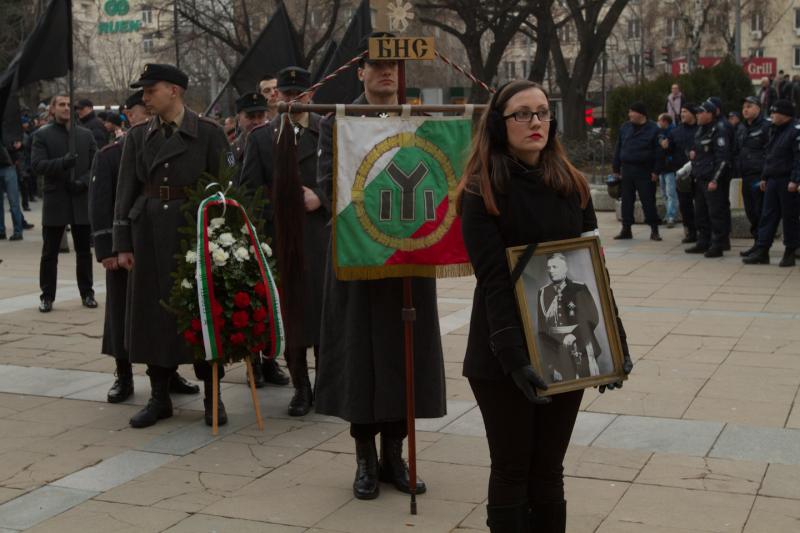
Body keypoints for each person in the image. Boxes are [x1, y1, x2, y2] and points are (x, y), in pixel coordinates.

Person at [457, 80, 632, 532]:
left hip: (563, 349)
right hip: (503, 354)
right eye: (522, 113)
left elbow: (594, 272)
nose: (535, 122)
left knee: (549, 471)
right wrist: (514, 359)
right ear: (500, 124)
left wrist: (613, 345)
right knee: (512, 467)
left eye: (542, 112)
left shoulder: (572, 185)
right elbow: (494, 282)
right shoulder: (481, 192)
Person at [314, 33, 446, 501]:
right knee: (359, 356)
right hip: (357, 254)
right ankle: (365, 459)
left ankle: (396, 454)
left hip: (408, 257)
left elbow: (436, 177)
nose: (386, 72)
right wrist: (370, 226)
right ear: (361, 72)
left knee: (405, 355)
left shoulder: (420, 121)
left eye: (393, 65)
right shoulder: (341, 121)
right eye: (377, 65)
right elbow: (329, 183)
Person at [113, 63, 232, 428]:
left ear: (174, 91)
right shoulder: (137, 136)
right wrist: (122, 243)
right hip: (148, 232)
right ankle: (159, 396)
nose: (145, 97)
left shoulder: (209, 134)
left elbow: (227, 189)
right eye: (145, 92)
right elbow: (125, 192)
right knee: (153, 315)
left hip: (192, 231)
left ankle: (213, 397)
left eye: (152, 90)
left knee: (201, 314)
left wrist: (224, 241)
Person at [89, 90, 199, 404]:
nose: (147, 117)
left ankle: (169, 371)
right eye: (141, 111)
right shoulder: (111, 153)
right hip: (123, 245)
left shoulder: (167, 142)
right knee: (122, 315)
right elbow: (102, 204)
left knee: (161, 315)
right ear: (129, 114)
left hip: (154, 243)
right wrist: (107, 248)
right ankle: (123, 374)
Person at [237, 67, 325, 413]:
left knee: (323, 314)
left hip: (320, 236)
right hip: (281, 239)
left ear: (311, 95)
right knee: (293, 317)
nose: (293, 100)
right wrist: (278, 204)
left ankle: (328, 383)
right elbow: (248, 192)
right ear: (277, 98)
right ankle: (301, 388)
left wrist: (321, 197)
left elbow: (345, 180)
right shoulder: (262, 138)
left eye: (299, 95)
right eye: (286, 95)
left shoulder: (327, 132)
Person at [31, 95, 98, 312]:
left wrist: (83, 181)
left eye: (70, 105)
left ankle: (87, 293)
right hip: (56, 199)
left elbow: (96, 165)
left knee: (84, 252)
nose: (67, 108)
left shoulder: (86, 135)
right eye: (61, 104)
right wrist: (62, 163)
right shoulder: (42, 135)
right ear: (52, 109)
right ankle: (47, 296)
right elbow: (37, 165)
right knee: (50, 252)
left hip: (79, 199)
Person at [742, 99, 800, 267]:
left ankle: (790, 251)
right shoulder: (775, 130)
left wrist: (795, 180)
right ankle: (762, 250)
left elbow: (798, 158)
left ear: (785, 114)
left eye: (775, 112)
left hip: (787, 181)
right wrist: (764, 177)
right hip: (773, 179)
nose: (772, 115)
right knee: (767, 216)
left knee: (790, 218)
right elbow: (769, 156)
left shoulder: (795, 131)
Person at [537, 253, 601, 382]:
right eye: (548, 268)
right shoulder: (543, 292)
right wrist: (550, 357)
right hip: (555, 346)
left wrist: (575, 335)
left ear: (565, 268)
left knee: (581, 380)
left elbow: (592, 317)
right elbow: (542, 327)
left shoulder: (579, 288)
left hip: (579, 342)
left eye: (555, 267)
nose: (551, 271)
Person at [685, 100, 730, 257]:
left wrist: (715, 179)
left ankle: (718, 244)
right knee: (701, 213)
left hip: (711, 179)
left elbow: (723, 158)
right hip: (699, 176)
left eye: (701, 112)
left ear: (710, 114)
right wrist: (690, 153)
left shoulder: (719, 130)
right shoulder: (700, 130)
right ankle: (703, 241)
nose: (697, 115)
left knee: (715, 213)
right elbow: (695, 149)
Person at [612, 102, 661, 241]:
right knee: (626, 201)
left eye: (632, 112)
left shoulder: (653, 129)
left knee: (648, 201)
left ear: (640, 114)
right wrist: (616, 168)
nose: (629, 115)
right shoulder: (625, 127)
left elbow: (659, 152)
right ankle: (626, 229)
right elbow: (619, 147)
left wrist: (656, 171)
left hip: (645, 171)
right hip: (627, 170)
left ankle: (654, 230)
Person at [735, 96, 770, 249]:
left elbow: (770, 152)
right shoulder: (742, 127)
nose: (745, 110)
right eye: (744, 107)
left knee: (759, 210)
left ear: (758, 108)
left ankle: (762, 245)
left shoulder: (766, 126)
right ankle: (757, 242)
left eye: (749, 106)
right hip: (746, 175)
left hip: (759, 175)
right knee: (750, 211)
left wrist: (765, 175)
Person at [665, 103, 698, 242]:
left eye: (685, 111)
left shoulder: (700, 129)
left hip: (698, 172)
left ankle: (704, 230)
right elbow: (669, 150)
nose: (682, 114)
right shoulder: (675, 131)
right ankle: (690, 231)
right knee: (685, 205)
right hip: (681, 174)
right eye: (681, 112)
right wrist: (665, 147)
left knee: (701, 204)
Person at [655, 113, 678, 228]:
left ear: (665, 121)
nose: (658, 123)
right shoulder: (660, 132)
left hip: (670, 167)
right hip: (661, 167)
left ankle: (671, 216)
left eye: (659, 121)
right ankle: (668, 214)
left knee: (670, 193)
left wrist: (662, 143)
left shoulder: (672, 132)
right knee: (664, 193)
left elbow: (666, 146)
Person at [231, 92, 267, 165]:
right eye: (251, 117)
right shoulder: (231, 150)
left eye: (260, 116)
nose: (256, 122)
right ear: (238, 119)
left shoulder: (276, 144)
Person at [0, 141, 25, 241]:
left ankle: (17, 231)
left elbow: (21, 145)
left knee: (14, 202)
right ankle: (4, 231)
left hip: (9, 167)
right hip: (9, 167)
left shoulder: (9, 129)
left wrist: (19, 146)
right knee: (13, 202)